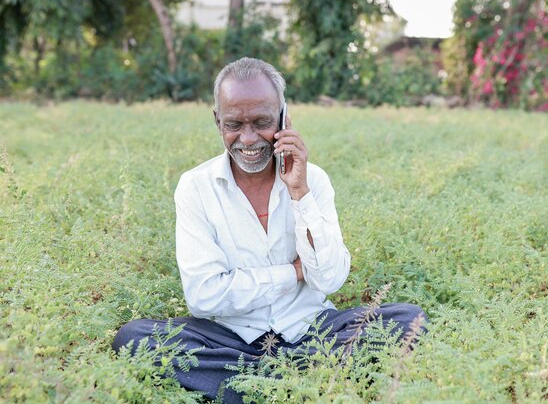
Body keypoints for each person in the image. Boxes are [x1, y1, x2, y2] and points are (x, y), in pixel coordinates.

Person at [112, 57, 427, 403]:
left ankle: (249, 387)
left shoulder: (313, 181)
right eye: (234, 124)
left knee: (407, 321)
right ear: (218, 121)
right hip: (229, 337)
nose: (248, 139)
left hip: (312, 331)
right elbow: (203, 297)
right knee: (135, 338)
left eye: (262, 122)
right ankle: (305, 382)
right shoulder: (195, 187)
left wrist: (299, 192)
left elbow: (329, 278)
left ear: (283, 116)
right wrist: (292, 273)